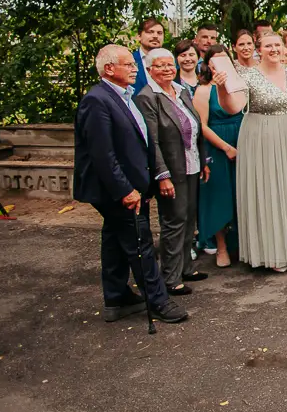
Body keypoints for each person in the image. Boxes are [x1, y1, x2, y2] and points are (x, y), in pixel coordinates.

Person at [74, 45, 187, 324]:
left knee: (114, 239)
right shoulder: (97, 100)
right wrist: (125, 190)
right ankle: (158, 300)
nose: (135, 69)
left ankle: (116, 297)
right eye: (129, 65)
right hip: (115, 189)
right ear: (109, 69)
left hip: (131, 185)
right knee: (140, 242)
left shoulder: (125, 96)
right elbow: (103, 154)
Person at [213, 33, 287, 272]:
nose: (273, 49)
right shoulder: (247, 75)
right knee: (269, 189)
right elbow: (234, 107)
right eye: (268, 45)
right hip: (260, 138)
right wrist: (222, 89)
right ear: (258, 50)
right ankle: (272, 253)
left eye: (277, 45)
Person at [136, 47, 210, 296]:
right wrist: (162, 175)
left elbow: (195, 125)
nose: (168, 69)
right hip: (171, 170)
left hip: (192, 164)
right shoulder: (147, 97)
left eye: (170, 65)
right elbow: (152, 141)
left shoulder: (180, 91)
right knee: (173, 222)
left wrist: (204, 160)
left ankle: (187, 267)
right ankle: (170, 277)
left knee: (189, 219)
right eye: (161, 66)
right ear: (149, 70)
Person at [194, 43, 243, 267]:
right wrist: (226, 147)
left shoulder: (239, 85)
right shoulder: (203, 89)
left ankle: (241, 244)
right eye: (215, 60)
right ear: (208, 64)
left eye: (225, 58)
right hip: (219, 145)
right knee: (220, 196)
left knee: (240, 195)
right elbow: (202, 126)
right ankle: (221, 247)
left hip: (242, 139)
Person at [130, 18, 166, 93]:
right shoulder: (130, 61)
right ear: (139, 37)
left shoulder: (172, 63)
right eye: (150, 32)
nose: (155, 36)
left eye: (159, 33)